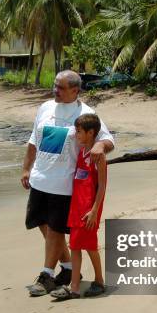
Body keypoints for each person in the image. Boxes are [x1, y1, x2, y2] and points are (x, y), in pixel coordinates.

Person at [21, 70, 115, 296]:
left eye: (61, 87)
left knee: (55, 231)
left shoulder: (86, 113)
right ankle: (68, 267)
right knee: (41, 224)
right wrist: (26, 168)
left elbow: (108, 139)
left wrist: (100, 146)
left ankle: (46, 275)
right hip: (39, 179)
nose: (55, 90)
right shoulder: (45, 108)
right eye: (55, 85)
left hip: (63, 185)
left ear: (75, 90)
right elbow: (34, 141)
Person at [50, 114, 107, 300]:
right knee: (74, 245)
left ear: (91, 133)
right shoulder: (81, 152)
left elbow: (102, 186)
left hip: (89, 210)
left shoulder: (99, 158)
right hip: (76, 208)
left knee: (90, 246)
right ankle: (74, 287)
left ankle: (99, 281)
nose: (77, 134)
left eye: (80, 131)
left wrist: (94, 211)